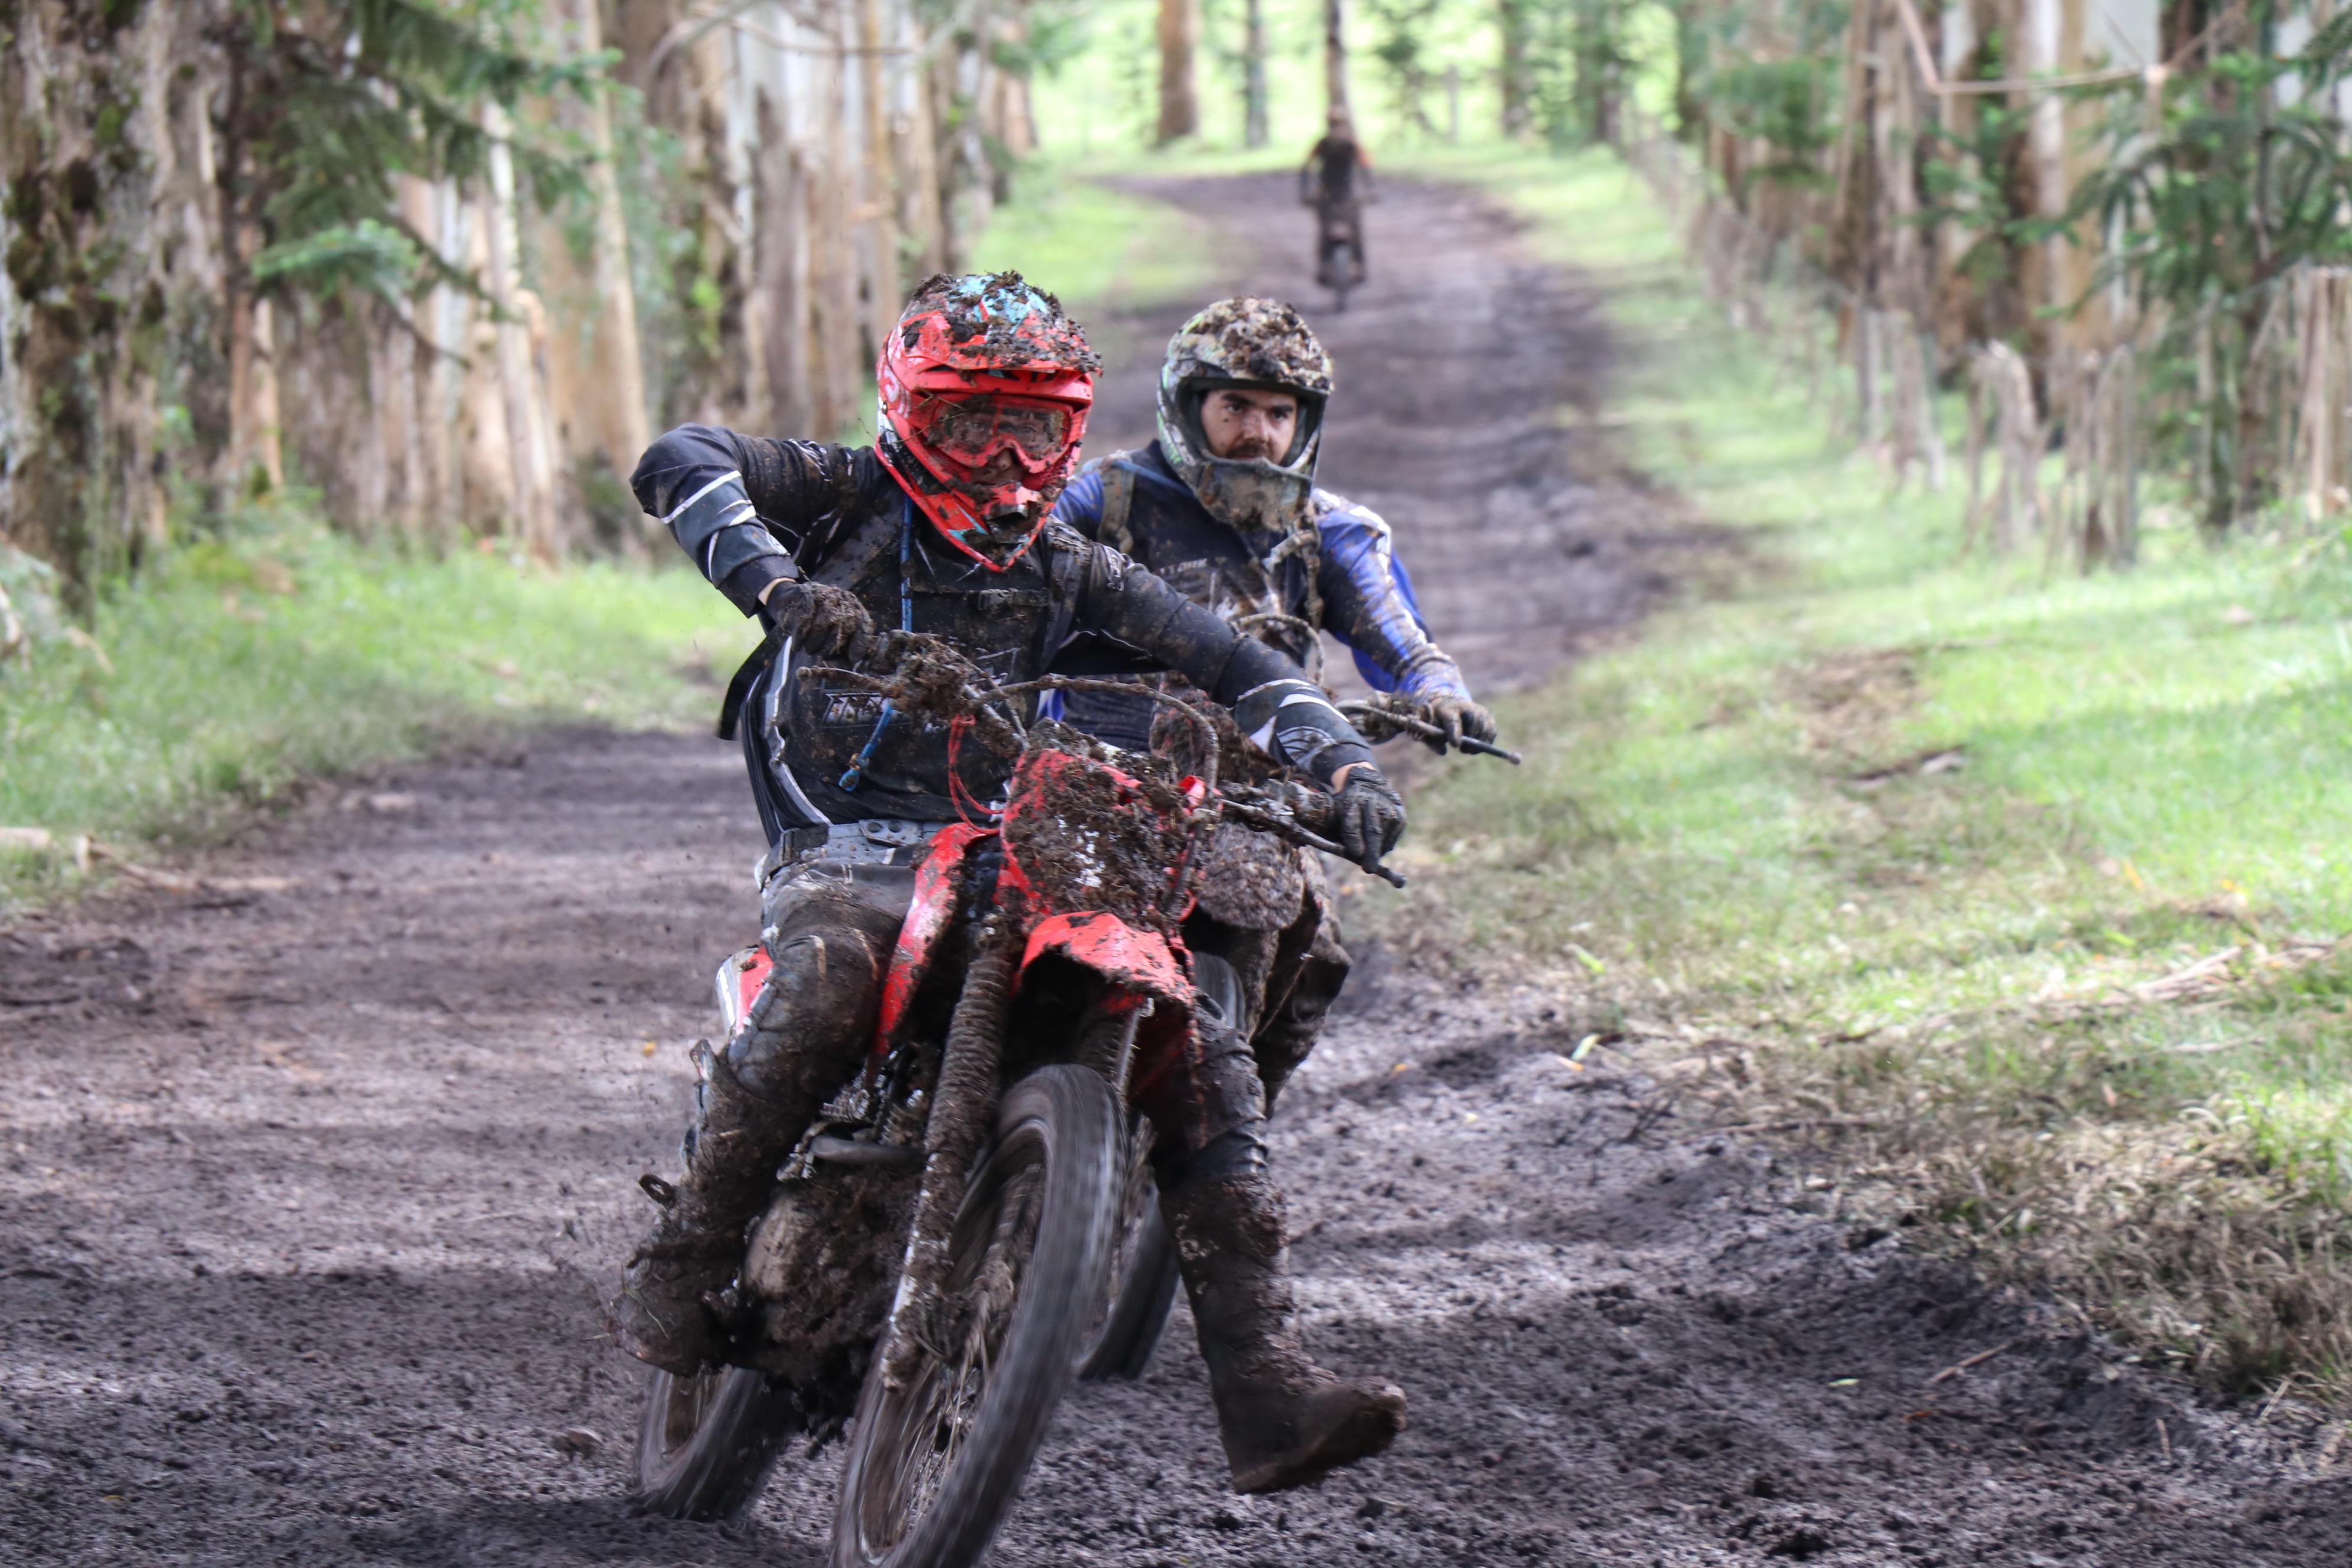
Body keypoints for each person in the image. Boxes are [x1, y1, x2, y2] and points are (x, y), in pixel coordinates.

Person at [616, 272, 1408, 1495]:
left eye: (1035, 424)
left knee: (1203, 1041)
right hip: (846, 831)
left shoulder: (1069, 559)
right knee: (829, 975)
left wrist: (1342, 757)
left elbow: (1237, 659)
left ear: (1074, 428)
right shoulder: (846, 494)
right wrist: (776, 586)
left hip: (999, 824)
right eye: (971, 417)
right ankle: (688, 1250)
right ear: (908, 406)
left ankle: (1263, 1385)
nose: (1003, 453)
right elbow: (682, 455)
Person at [1049, 295, 1495, 1102]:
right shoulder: (1098, 501)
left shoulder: (1334, 531)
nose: (1257, 432)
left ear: (1306, 422)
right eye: (1236, 408)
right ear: (1189, 407)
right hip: (1097, 773)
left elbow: (1398, 636)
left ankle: (1216, 1148)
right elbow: (1012, 592)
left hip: (1259, 794)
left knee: (1311, 968)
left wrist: (1439, 693)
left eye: (1279, 413)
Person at [1301, 109, 1372, 290]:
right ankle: (1324, 267)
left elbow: (1365, 167)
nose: (1336, 128)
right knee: (1325, 232)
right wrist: (1305, 191)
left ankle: (1358, 265)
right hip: (1326, 195)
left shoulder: (1352, 146)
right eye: (1334, 125)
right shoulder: (1321, 145)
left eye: (1339, 125)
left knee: (1355, 231)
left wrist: (1370, 189)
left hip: (1348, 195)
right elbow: (1307, 169)